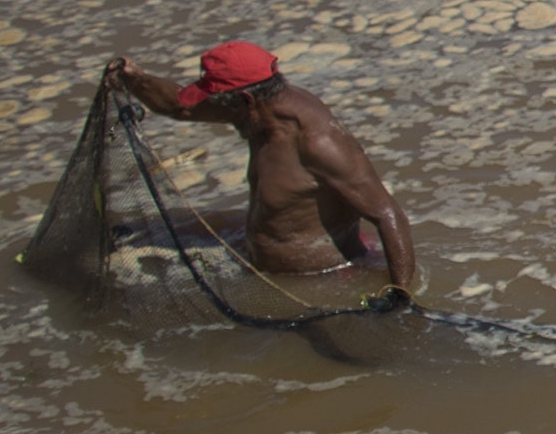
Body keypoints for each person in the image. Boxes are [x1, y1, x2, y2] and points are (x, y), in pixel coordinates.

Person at [108, 39, 420, 309]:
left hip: (317, 282)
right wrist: (136, 79)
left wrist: (399, 294)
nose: (210, 111)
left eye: (216, 103)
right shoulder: (258, 108)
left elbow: (388, 214)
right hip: (258, 260)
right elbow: (181, 107)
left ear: (245, 101)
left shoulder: (318, 143)